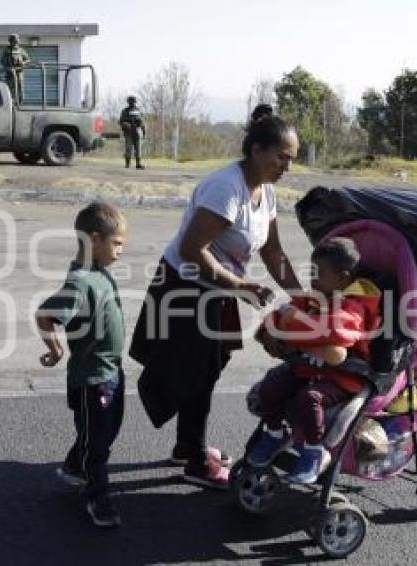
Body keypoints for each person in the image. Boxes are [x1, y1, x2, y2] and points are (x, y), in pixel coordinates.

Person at [129, 114, 301, 490]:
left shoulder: (266, 192)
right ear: (257, 150)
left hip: (217, 289)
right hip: (185, 287)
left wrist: (306, 295)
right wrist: (241, 285)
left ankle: (186, 444)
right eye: (282, 157)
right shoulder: (226, 187)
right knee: (196, 373)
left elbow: (273, 252)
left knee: (208, 368)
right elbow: (192, 250)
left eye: (292, 159)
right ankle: (194, 458)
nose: (288, 166)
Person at [248, 237, 382, 483]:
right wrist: (270, 330)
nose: (312, 280)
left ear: (342, 278)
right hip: (307, 367)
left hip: (344, 376)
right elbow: (279, 314)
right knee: (271, 386)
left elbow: (336, 331)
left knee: (309, 399)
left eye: (318, 274)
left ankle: (314, 450)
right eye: (311, 272)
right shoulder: (315, 297)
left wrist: (291, 326)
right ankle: (276, 432)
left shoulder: (356, 304)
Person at [35, 201, 128, 528]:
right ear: (93, 240)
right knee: (98, 441)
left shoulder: (98, 273)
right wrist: (55, 349)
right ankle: (96, 496)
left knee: (106, 430)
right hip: (93, 379)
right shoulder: (79, 282)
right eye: (116, 243)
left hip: (111, 371)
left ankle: (76, 466)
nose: (120, 251)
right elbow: (44, 314)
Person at [1, 33, 30, 104]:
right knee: (10, 89)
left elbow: (28, 60)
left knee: (20, 88)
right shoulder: (6, 50)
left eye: (16, 41)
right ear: (10, 41)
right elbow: (2, 61)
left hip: (19, 72)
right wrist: (7, 66)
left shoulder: (21, 50)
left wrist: (23, 63)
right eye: (13, 41)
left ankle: (20, 101)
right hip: (10, 73)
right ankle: (11, 102)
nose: (15, 42)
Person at [119, 96, 146, 169]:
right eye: (131, 102)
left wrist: (144, 132)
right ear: (128, 102)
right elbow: (121, 122)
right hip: (129, 132)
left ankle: (138, 164)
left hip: (138, 131)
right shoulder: (125, 111)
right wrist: (126, 125)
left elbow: (143, 122)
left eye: (133, 102)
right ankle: (127, 164)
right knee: (128, 148)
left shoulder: (139, 110)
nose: (132, 103)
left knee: (138, 149)